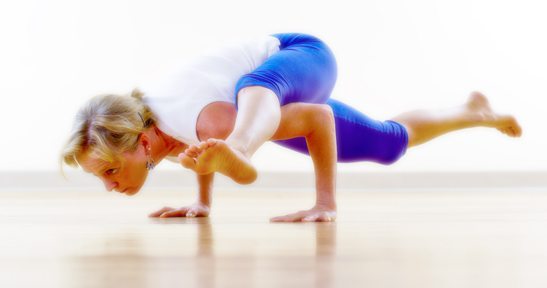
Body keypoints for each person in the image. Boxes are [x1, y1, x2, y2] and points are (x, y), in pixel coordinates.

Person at [61, 33, 522, 222]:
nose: (109, 185)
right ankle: (474, 111)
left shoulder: (206, 119)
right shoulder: (162, 122)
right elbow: (196, 143)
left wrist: (324, 202)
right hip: (271, 88)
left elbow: (316, 117)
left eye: (107, 171)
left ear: (141, 143)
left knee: (249, 92)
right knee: (386, 143)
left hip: (300, 55)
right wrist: (201, 202)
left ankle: (241, 147)